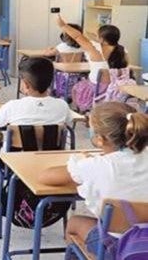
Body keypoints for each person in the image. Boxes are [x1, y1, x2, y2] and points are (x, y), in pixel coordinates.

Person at [38, 102, 148, 259]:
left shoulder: (96, 165)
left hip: (119, 247)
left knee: (74, 223)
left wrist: (81, 161)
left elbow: (46, 177)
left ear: (100, 139)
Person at [0, 57, 73, 208]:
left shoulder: (13, 106)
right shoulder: (62, 105)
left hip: (14, 164)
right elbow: (67, 123)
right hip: (51, 164)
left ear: (26, 84)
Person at [57, 15, 129, 112]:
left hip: (97, 90)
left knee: (76, 88)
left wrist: (63, 25)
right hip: (119, 90)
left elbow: (77, 36)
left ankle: (82, 113)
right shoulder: (123, 51)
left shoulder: (96, 50)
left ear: (101, 39)